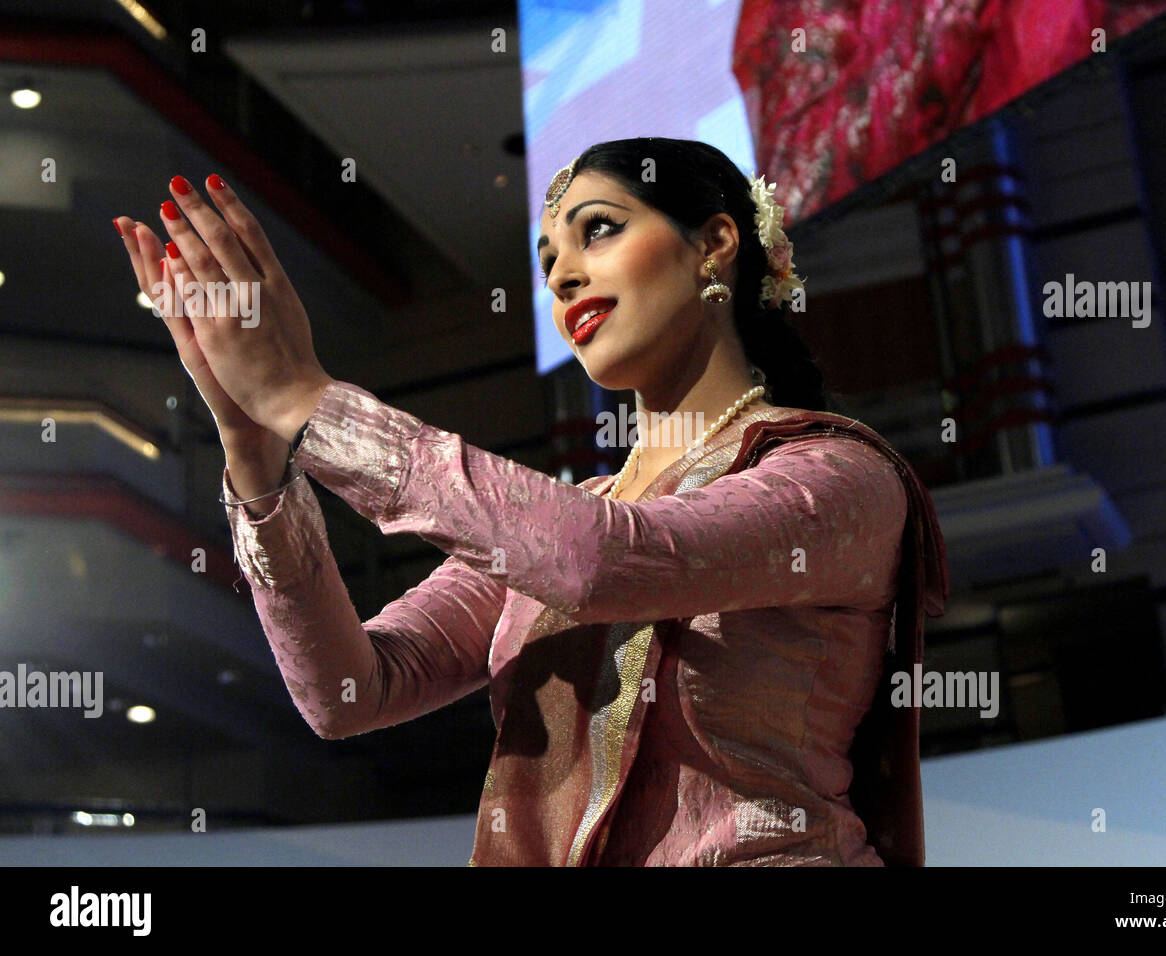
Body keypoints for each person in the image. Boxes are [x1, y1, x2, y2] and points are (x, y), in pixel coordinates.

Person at [112, 136, 948, 866]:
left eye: (600, 230)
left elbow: (601, 562)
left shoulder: (836, 477)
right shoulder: (554, 525)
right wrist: (257, 449)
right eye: (549, 262)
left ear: (716, 243)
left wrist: (310, 403)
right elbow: (348, 691)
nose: (564, 276)